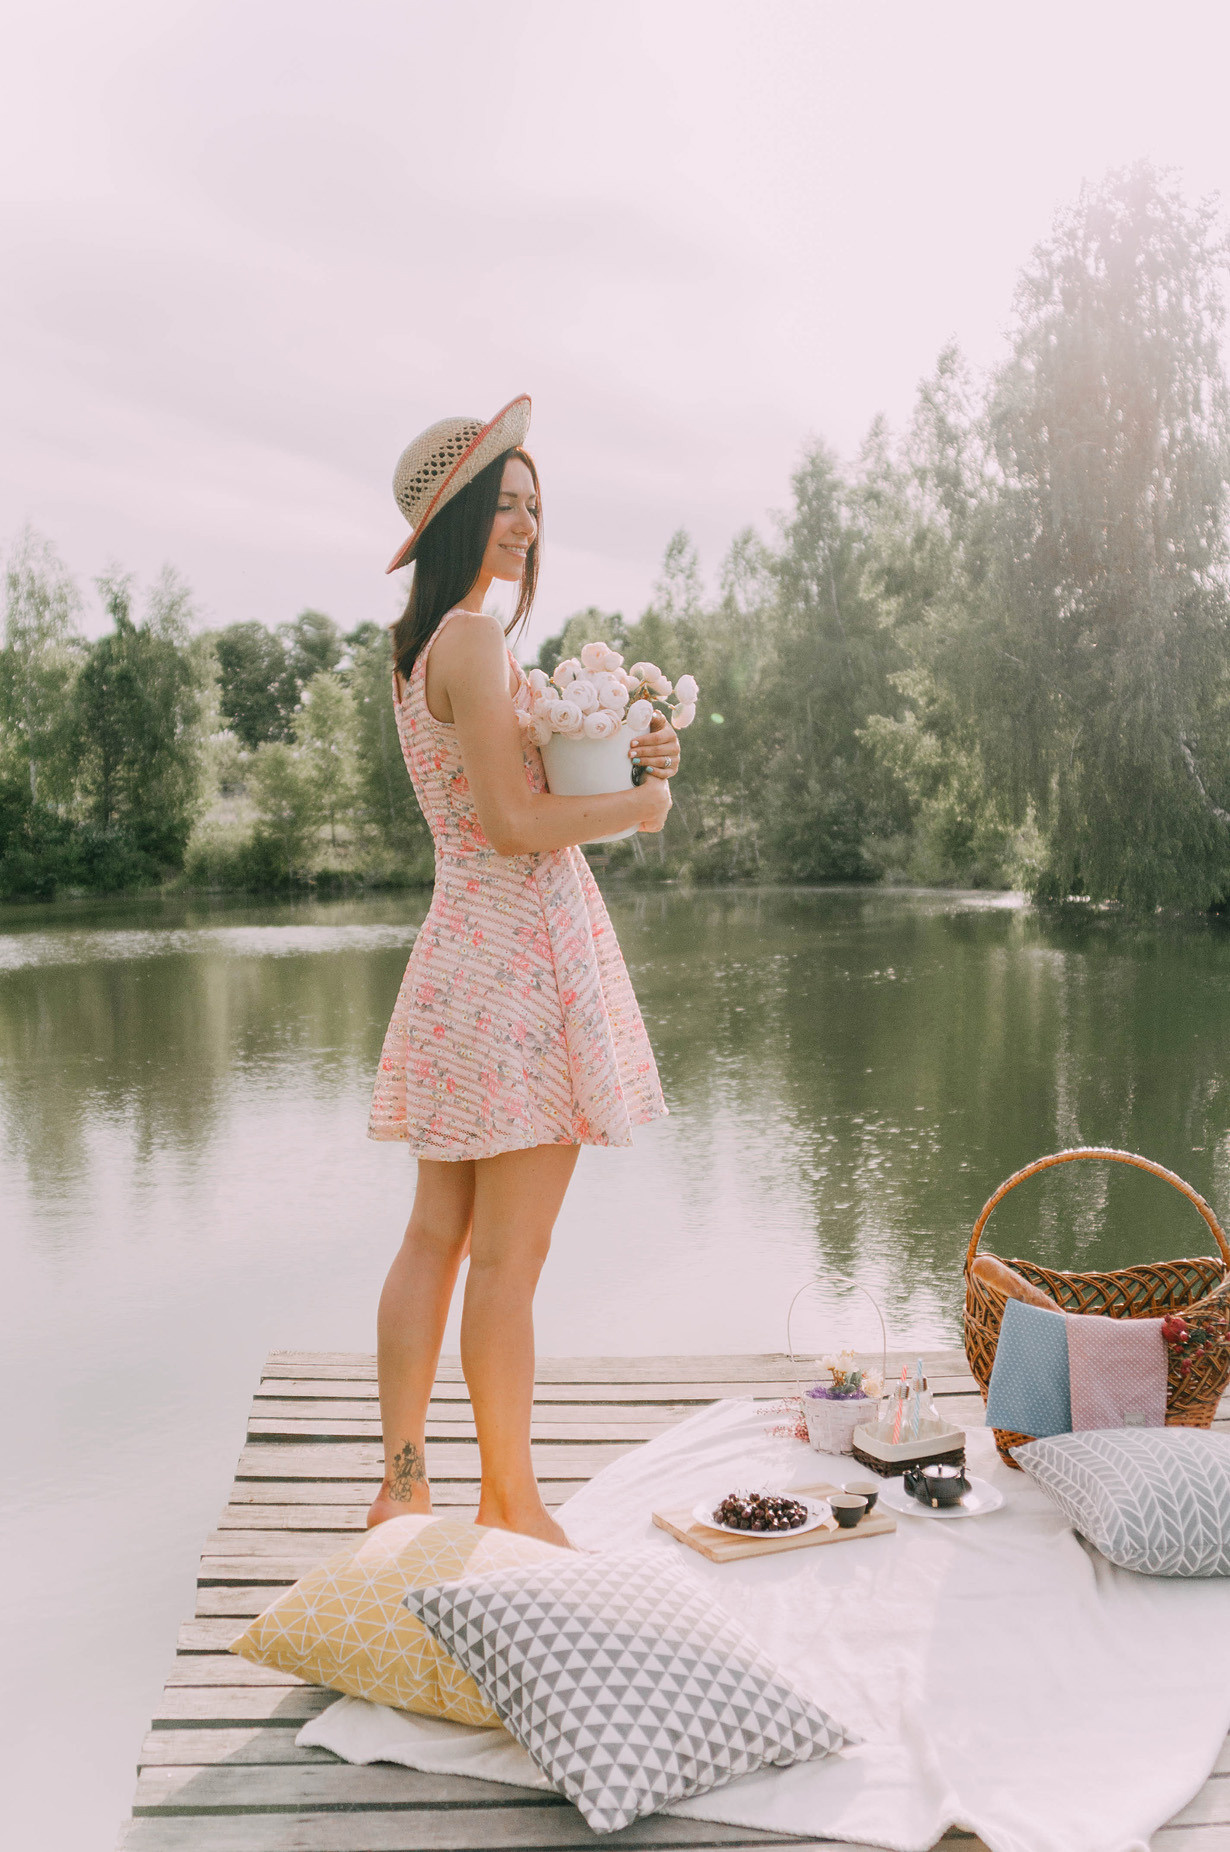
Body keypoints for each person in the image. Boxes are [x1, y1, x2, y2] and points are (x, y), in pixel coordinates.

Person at [366, 395, 678, 1545]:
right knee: (508, 1257)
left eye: (534, 507)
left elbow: (509, 783)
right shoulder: (475, 640)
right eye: (503, 504)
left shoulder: (423, 646)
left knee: (436, 1238)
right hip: (518, 964)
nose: (526, 525)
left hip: (462, 954)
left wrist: (628, 747)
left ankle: (405, 1484)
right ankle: (511, 1502)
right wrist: (640, 808)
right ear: (454, 519)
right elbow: (511, 822)